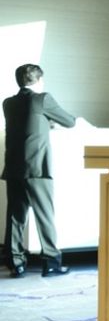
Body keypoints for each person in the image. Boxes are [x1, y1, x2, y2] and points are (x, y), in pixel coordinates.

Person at [2, 64, 82, 278]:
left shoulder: (8, 103)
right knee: (44, 215)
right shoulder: (42, 99)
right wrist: (49, 121)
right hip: (37, 167)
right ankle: (51, 262)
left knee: (15, 217)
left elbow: (26, 123)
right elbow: (70, 121)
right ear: (39, 81)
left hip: (14, 167)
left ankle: (16, 263)